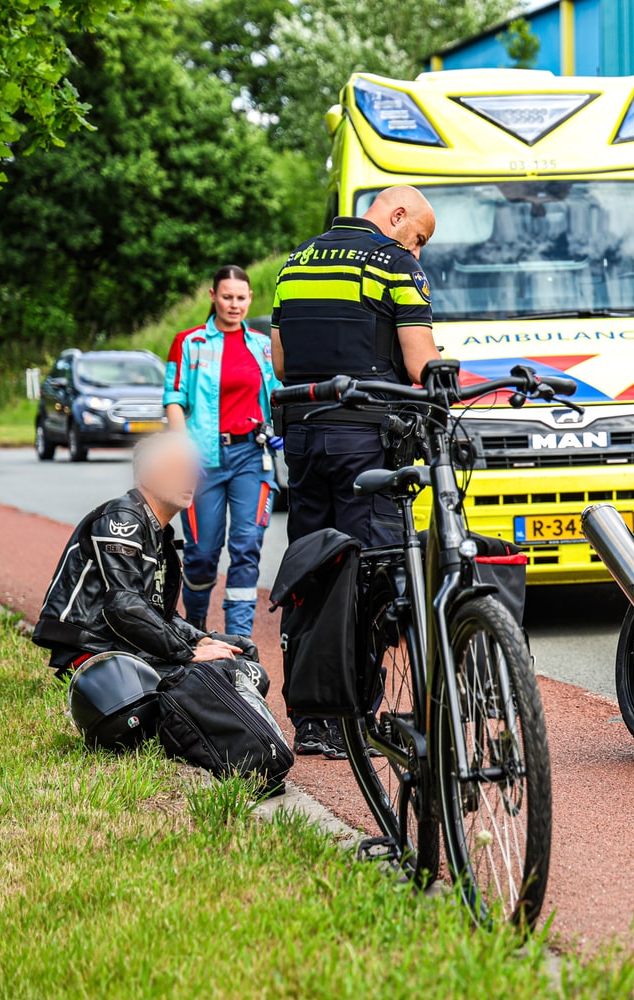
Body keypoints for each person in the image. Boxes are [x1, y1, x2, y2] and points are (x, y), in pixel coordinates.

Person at [270, 185, 438, 758]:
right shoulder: (393, 265)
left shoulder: (296, 262)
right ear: (396, 217)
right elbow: (420, 364)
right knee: (373, 570)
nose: (416, 253)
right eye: (417, 238)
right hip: (364, 438)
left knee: (314, 568)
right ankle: (355, 715)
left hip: (304, 434)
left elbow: (283, 363)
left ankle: (310, 719)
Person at [32, 434, 258, 679]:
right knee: (233, 670)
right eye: (177, 469)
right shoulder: (121, 517)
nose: (190, 477)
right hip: (93, 650)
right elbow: (124, 606)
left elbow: (161, 616)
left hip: (125, 643)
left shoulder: (160, 534)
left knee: (242, 650)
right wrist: (187, 653)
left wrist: (200, 639)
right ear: (148, 477)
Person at [163, 264, 283, 639]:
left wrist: (280, 427)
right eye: (227, 297)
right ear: (213, 296)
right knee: (201, 555)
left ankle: (239, 640)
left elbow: (279, 395)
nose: (234, 305)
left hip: (253, 457)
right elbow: (173, 399)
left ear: (250, 299)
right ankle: (196, 626)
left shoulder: (263, 346)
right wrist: (183, 450)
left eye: (241, 298)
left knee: (247, 547)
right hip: (204, 462)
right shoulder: (189, 343)